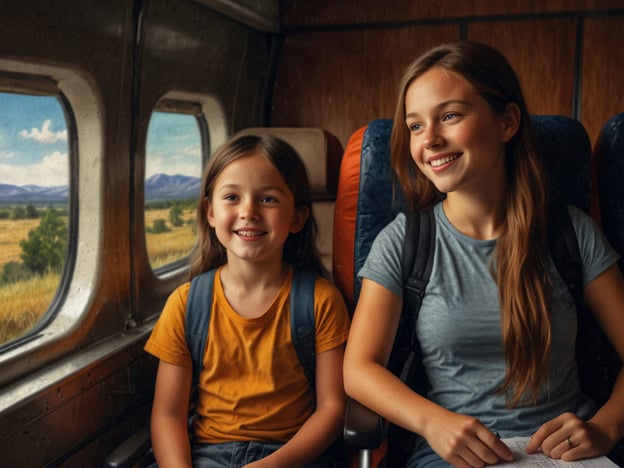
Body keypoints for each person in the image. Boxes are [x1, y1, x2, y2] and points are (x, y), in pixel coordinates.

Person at [343, 41, 624, 468]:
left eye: (449, 116)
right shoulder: (404, 241)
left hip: (565, 456)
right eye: (415, 126)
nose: (430, 139)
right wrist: (433, 423)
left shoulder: (571, 233)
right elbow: (359, 368)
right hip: (451, 456)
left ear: (507, 122)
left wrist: (605, 426)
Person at [145, 134, 351, 467]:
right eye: (231, 197)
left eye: (268, 199)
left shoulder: (320, 301)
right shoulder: (185, 305)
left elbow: (332, 409)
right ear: (210, 213)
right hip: (205, 456)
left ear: (297, 217)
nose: (248, 212)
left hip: (291, 457)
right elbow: (167, 414)